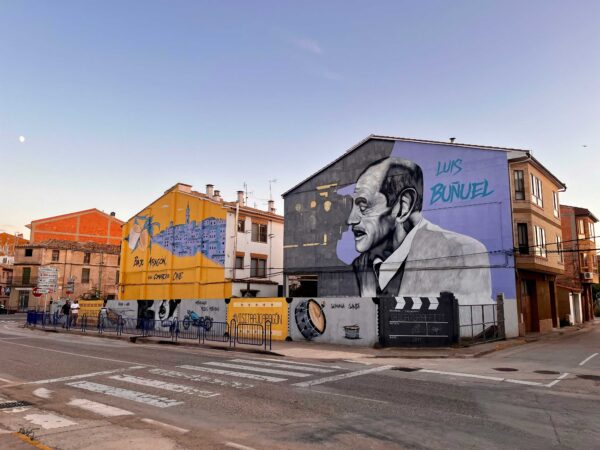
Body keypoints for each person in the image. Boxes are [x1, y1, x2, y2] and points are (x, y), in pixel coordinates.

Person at [346, 157, 492, 303]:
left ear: (403, 207)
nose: (351, 220)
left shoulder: (461, 253)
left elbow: (473, 315)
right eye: (351, 206)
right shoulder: (361, 265)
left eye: (363, 206)